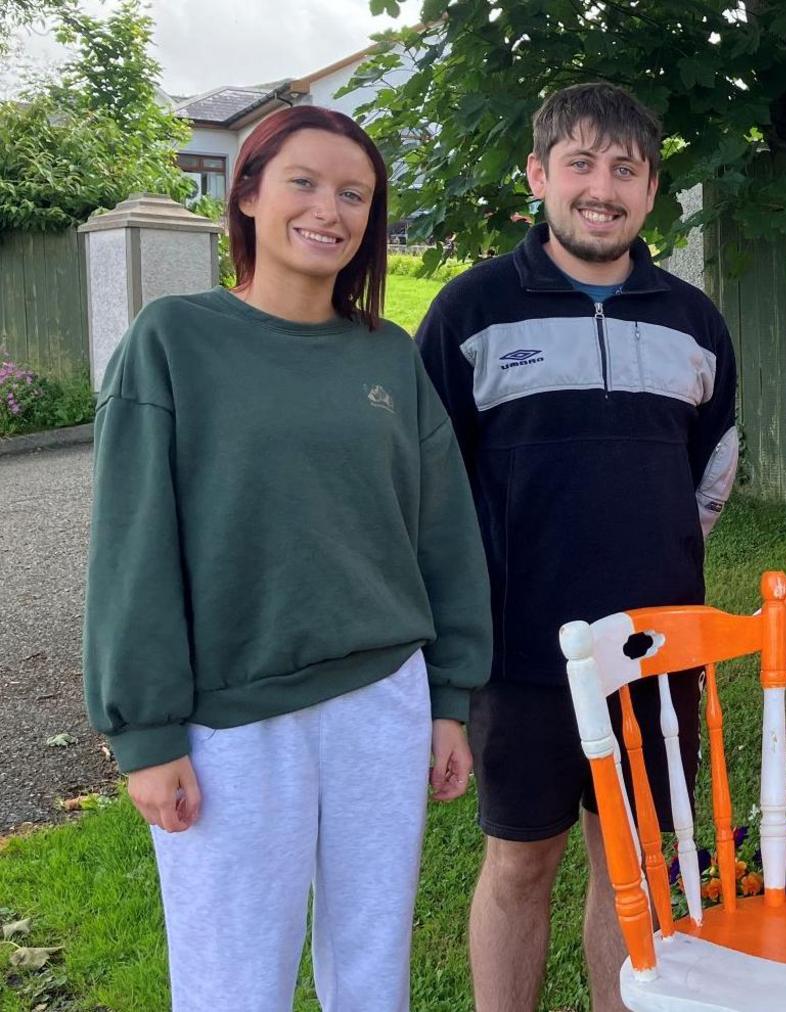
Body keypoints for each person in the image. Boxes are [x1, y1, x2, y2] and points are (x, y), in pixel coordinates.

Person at [82, 105, 492, 1011]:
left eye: (354, 194)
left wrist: (450, 700)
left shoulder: (386, 352)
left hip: (383, 698)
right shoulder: (171, 341)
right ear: (251, 193)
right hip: (232, 719)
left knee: (372, 966)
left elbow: (442, 533)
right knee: (234, 979)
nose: (330, 210)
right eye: (304, 182)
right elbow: (132, 547)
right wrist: (145, 733)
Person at [414, 81, 740, 1010]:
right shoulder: (470, 311)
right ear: (539, 175)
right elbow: (427, 485)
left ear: (649, 188)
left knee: (630, 867)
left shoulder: (693, 320)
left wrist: (653, 557)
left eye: (626, 169)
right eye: (582, 164)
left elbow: (711, 472)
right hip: (519, 656)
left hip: (652, 650)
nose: (604, 187)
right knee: (521, 864)